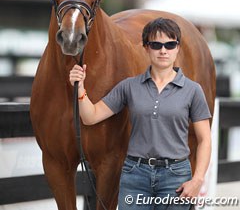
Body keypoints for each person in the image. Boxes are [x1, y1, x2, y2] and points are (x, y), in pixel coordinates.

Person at [69, 17, 212, 210]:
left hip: (176, 176)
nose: (163, 50)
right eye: (156, 44)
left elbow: (205, 140)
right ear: (146, 47)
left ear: (177, 48)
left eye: (170, 45)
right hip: (135, 175)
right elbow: (90, 116)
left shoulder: (193, 90)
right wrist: (80, 90)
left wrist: (198, 179)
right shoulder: (129, 86)